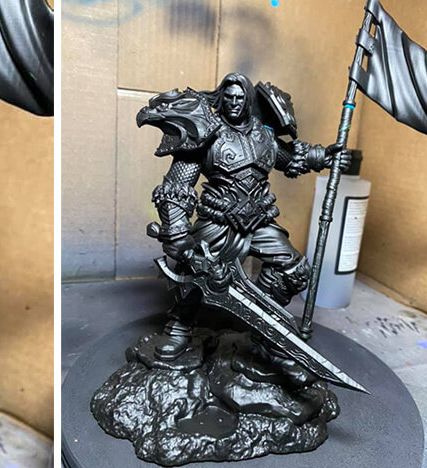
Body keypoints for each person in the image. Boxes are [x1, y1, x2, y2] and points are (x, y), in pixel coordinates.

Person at [137, 72, 347, 362]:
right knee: (193, 270)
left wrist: (325, 157)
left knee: (296, 271)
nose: (234, 103)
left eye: (239, 97)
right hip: (218, 221)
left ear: (247, 100)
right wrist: (177, 230)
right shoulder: (206, 133)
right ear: (221, 98)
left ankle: (262, 324)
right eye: (229, 97)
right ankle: (179, 327)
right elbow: (176, 186)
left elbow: (291, 158)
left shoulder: (265, 136)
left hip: (259, 222)